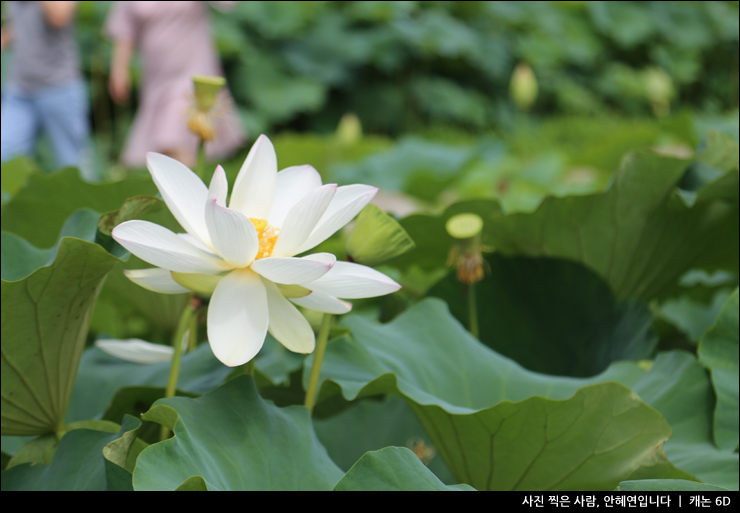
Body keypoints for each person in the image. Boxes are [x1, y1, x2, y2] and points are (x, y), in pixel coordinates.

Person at [105, 1, 244, 169]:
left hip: (192, 72)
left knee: (172, 138)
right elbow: (125, 28)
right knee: (167, 149)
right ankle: (188, 187)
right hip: (156, 77)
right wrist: (119, 69)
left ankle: (188, 188)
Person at [1, 1, 90, 174]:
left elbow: (59, 17)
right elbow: (19, 26)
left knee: (71, 164)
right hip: (20, 90)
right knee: (5, 159)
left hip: (59, 88)